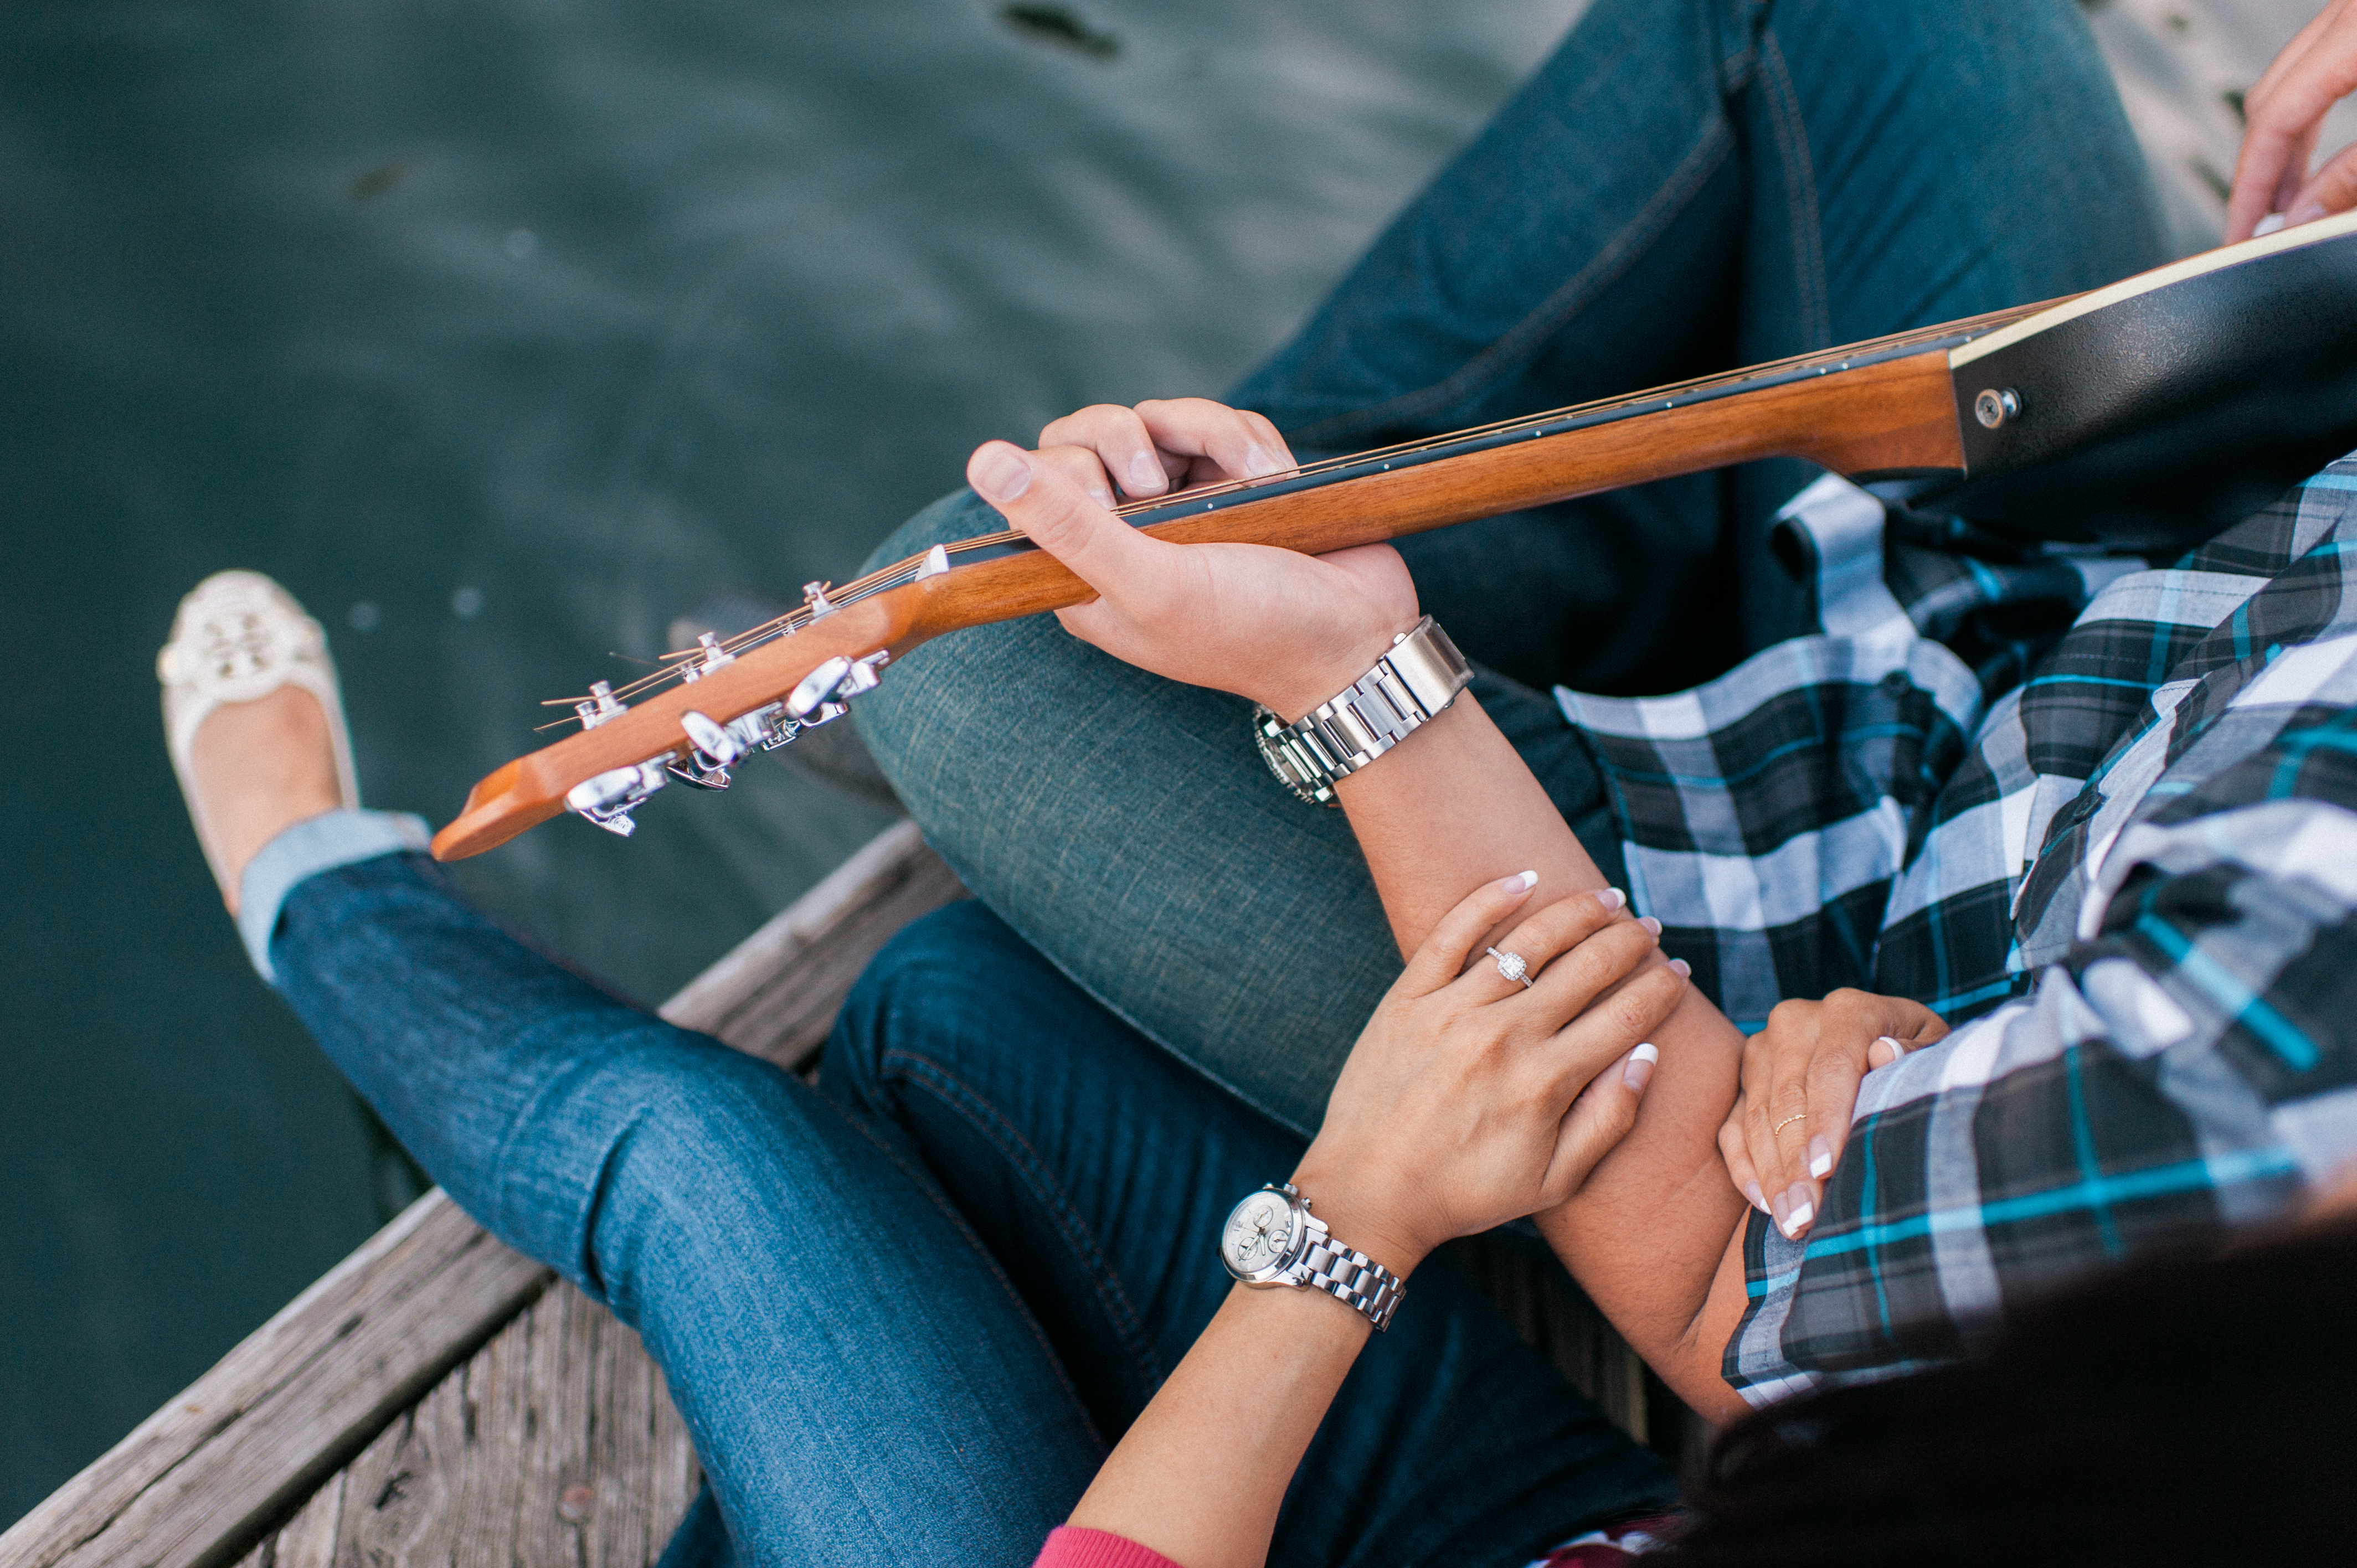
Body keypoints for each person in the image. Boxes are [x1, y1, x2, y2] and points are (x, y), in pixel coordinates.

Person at [848, 0, 2357, 1422]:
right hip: (2116, 592)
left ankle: (1503, 581)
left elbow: (1734, 1290)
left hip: (1763, 989)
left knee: (983, 637)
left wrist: (1357, 680)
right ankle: (1580, 540)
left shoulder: (2302, 1024)